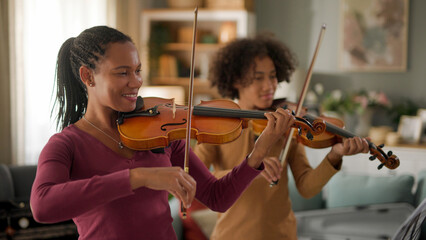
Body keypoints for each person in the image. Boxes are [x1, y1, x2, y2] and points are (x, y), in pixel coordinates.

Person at [29, 26, 296, 240]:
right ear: (88, 76)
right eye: (123, 73)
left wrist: (258, 152)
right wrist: (140, 177)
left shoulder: (161, 135)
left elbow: (218, 197)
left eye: (137, 71)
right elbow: (42, 206)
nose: (136, 83)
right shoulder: (66, 144)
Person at [191, 34, 371, 240]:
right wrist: (249, 170)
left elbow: (306, 186)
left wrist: (334, 155)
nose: (269, 86)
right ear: (235, 80)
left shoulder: (286, 124)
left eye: (273, 76)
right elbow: (198, 181)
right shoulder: (217, 126)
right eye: (259, 78)